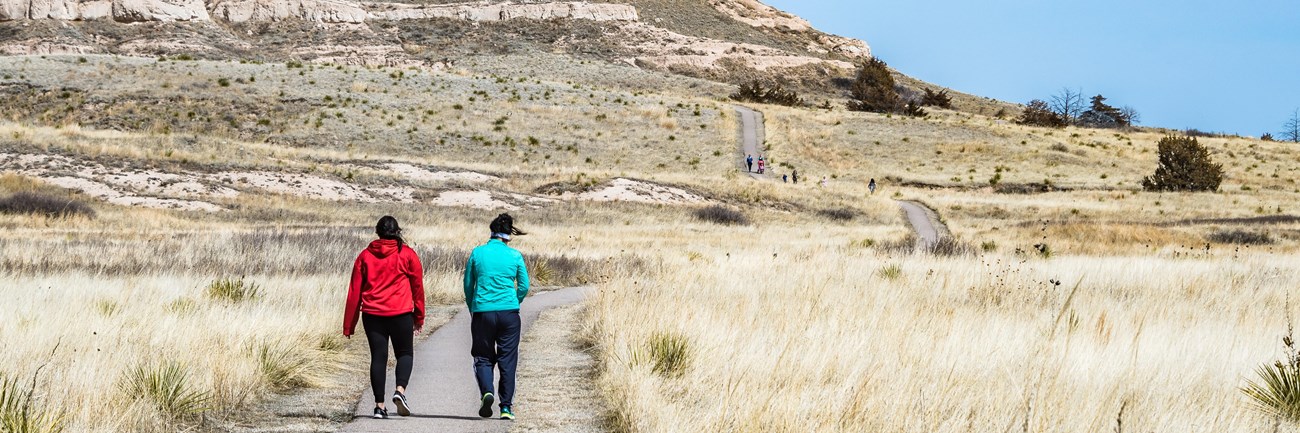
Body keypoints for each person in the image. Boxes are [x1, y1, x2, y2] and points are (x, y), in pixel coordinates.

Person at [344, 216, 426, 420]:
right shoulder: (407, 254)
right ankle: (400, 391)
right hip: (401, 313)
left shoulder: (365, 256)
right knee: (405, 353)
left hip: (372, 315)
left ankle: (379, 406)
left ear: (378, 232)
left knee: (378, 358)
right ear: (398, 231)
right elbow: (417, 287)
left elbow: (354, 292)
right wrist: (419, 316)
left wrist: (349, 325)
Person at [464, 213, 531, 421]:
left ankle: (487, 391)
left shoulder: (477, 253)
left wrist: (472, 306)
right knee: (507, 360)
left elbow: (468, 285)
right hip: (509, 313)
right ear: (508, 235)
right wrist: (515, 301)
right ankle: (506, 408)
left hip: (483, 311)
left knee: (483, 356)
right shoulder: (515, 256)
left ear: (491, 232)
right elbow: (525, 285)